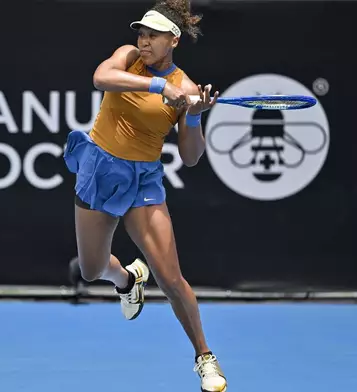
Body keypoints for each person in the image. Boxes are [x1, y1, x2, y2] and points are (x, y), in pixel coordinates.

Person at [63, 0, 227, 391]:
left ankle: (205, 357)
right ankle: (126, 278)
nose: (144, 40)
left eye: (153, 35)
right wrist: (159, 86)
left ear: (173, 41)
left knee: (171, 278)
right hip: (99, 170)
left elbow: (190, 157)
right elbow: (102, 78)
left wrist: (192, 114)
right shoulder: (127, 57)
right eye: (142, 32)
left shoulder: (187, 89)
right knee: (90, 270)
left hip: (143, 182)